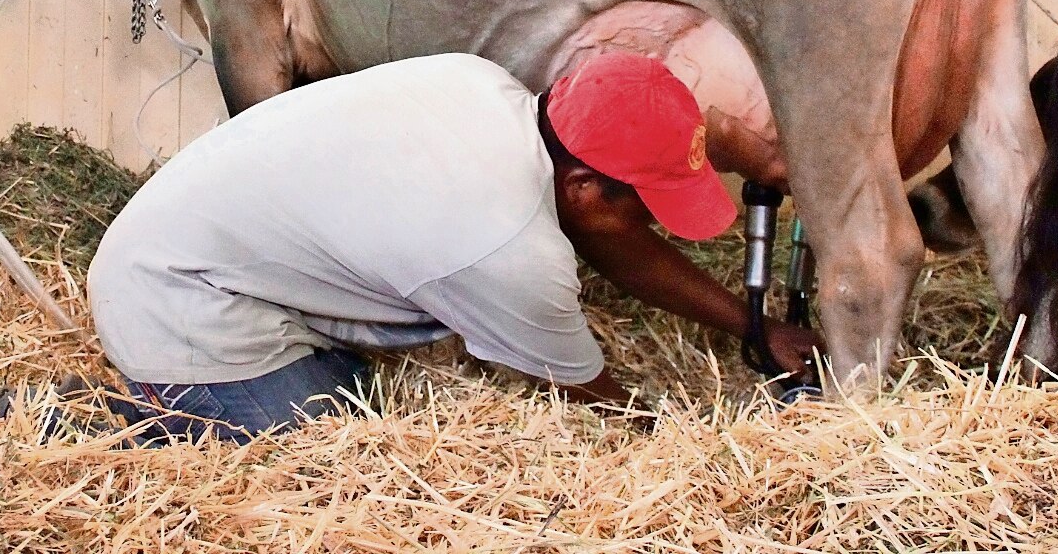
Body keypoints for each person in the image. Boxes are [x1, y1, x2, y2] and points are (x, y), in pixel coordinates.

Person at [80, 50, 818, 443]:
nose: (653, 227)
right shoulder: (505, 243)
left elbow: (612, 239)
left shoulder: (485, 87)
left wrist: (753, 326)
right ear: (588, 187)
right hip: (179, 300)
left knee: (360, 391)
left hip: (189, 250)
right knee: (328, 447)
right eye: (650, 208)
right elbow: (597, 397)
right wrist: (688, 447)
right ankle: (80, 424)